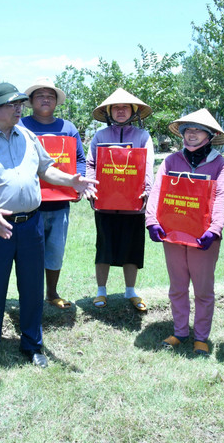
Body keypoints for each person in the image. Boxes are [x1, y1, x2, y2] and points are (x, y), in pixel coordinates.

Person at [0, 83, 97, 370]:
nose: (20, 108)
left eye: (20, 103)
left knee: (32, 289)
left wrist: (71, 180)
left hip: (31, 225)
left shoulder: (27, 136)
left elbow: (46, 169)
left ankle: (32, 344)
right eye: (12, 104)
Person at [145, 109, 224, 355]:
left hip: (204, 238)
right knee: (177, 286)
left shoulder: (220, 165)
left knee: (203, 289)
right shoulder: (171, 161)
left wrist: (214, 230)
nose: (191, 134)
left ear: (210, 135)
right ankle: (180, 331)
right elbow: (157, 191)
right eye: (188, 129)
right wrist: (152, 221)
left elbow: (222, 198)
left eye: (197, 129)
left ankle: (201, 336)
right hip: (172, 234)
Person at [85, 88, 154, 311]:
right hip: (104, 203)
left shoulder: (143, 137)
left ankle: (130, 291)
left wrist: (147, 189)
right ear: (109, 112)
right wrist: (90, 187)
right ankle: (101, 291)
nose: (120, 110)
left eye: (125, 107)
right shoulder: (99, 136)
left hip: (134, 206)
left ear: (134, 111)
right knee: (103, 246)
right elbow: (91, 165)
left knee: (132, 247)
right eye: (116, 107)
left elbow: (148, 167)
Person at [20, 77, 86, 309]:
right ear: (30, 101)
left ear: (57, 101)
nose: (46, 99)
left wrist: (78, 183)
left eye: (50, 95)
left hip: (60, 204)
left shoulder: (68, 128)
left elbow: (79, 159)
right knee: (30, 253)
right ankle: (31, 295)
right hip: (30, 204)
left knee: (55, 250)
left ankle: (52, 293)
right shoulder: (21, 125)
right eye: (40, 95)